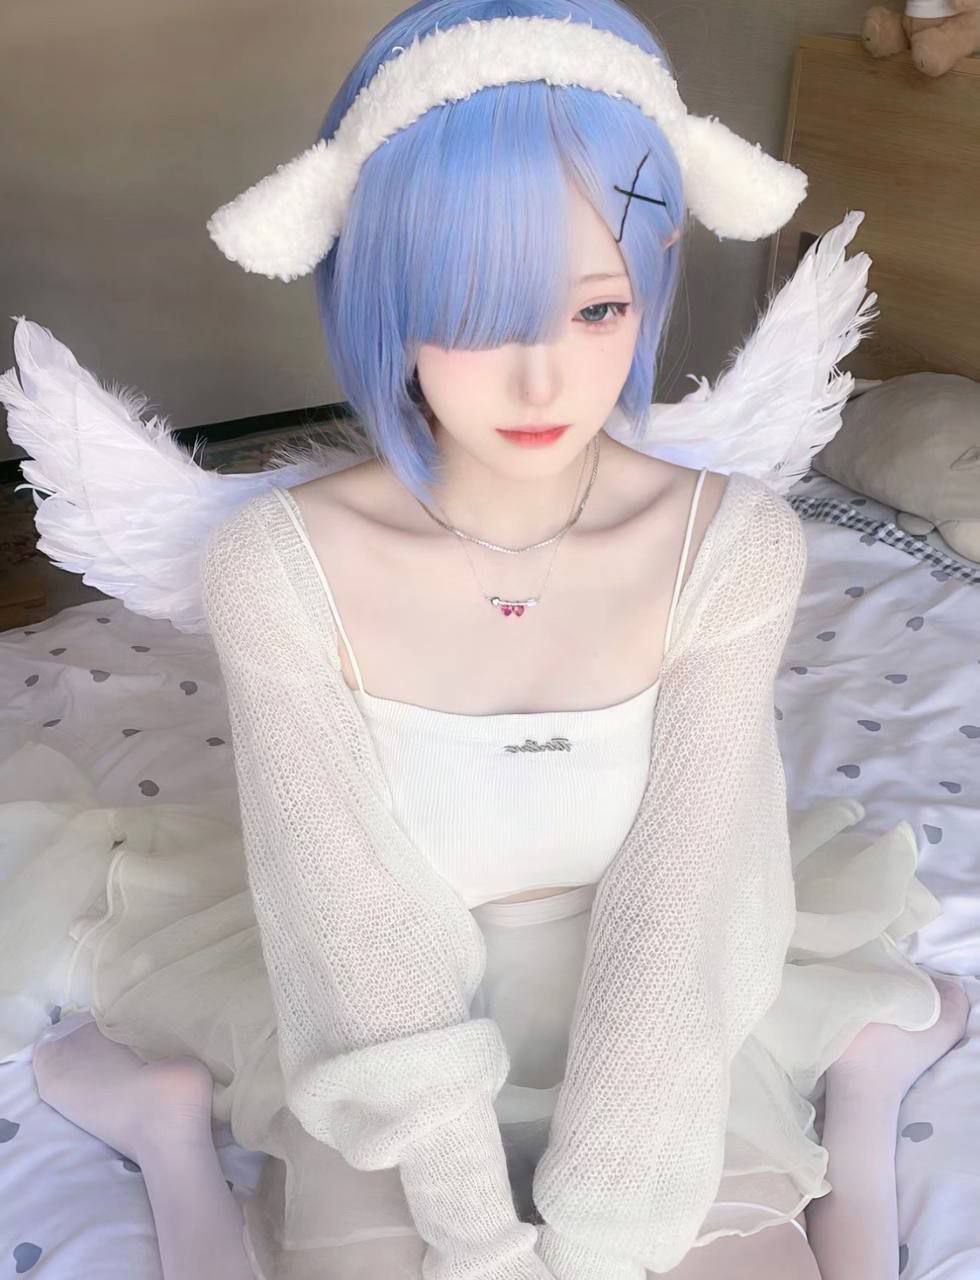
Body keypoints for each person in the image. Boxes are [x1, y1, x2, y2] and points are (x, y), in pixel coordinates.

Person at [14, 0, 971, 1278]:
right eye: (473, 313)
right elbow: (351, 918)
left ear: (653, 274)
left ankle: (861, 1082)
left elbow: (682, 889)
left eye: (596, 310)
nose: (541, 380)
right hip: (392, 995)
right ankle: (163, 1129)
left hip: (654, 983)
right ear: (380, 295)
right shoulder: (277, 566)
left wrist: (604, 1223)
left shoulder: (729, 543)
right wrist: (473, 1232)